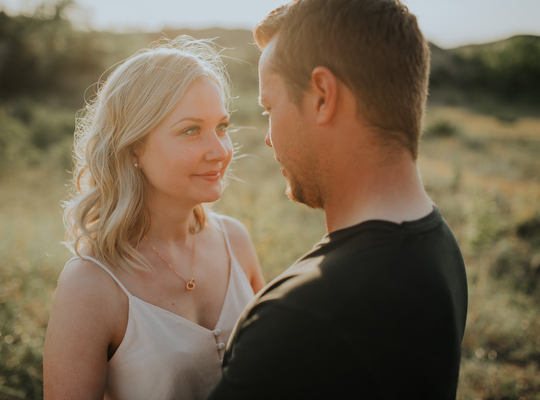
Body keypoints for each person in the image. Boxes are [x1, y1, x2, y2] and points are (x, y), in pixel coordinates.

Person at [207, 0, 468, 399]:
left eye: (268, 108)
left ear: (323, 96)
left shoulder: (298, 318)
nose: (269, 136)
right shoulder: (439, 243)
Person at [43, 36, 266, 400]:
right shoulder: (90, 286)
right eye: (191, 130)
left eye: (222, 127)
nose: (220, 151)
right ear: (134, 148)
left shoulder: (235, 242)